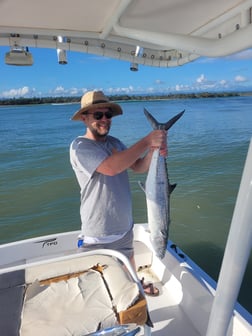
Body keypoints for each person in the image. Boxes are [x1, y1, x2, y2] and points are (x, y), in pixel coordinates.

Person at [70, 91, 167, 296]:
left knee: (130, 277)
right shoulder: (80, 147)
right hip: (97, 234)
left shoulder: (115, 142)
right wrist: (147, 141)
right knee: (96, 291)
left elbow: (139, 166)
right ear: (85, 118)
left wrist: (154, 151)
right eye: (98, 116)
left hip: (124, 228)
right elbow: (111, 167)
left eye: (108, 115)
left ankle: (136, 285)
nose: (104, 119)